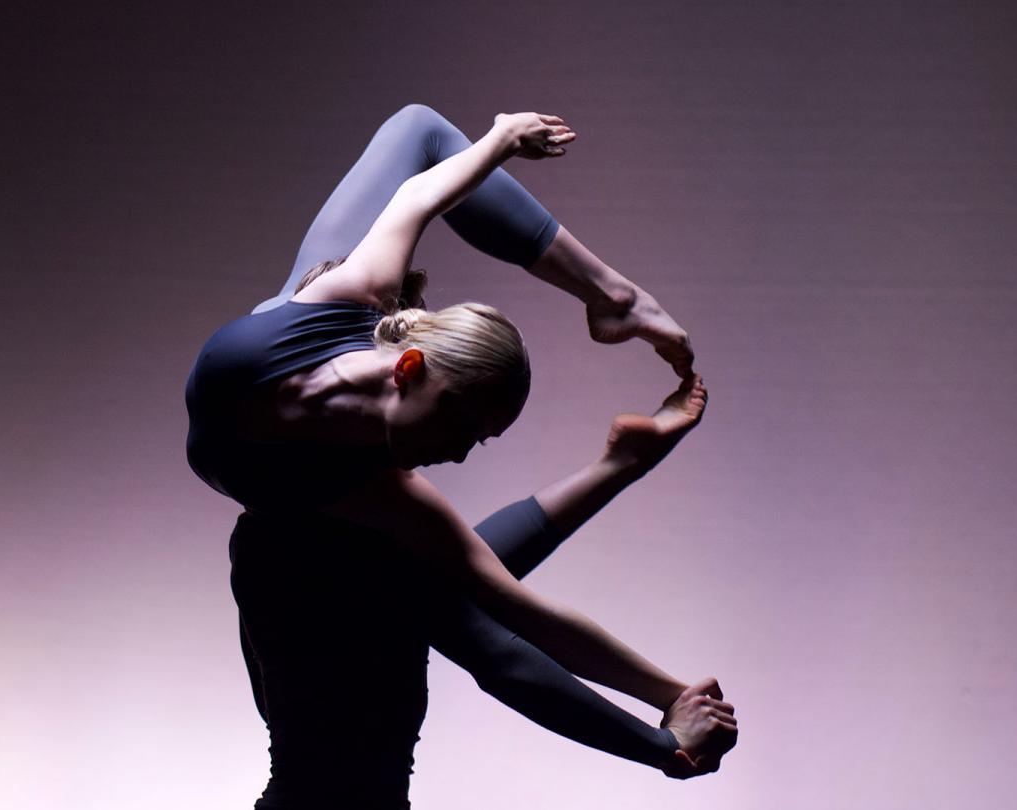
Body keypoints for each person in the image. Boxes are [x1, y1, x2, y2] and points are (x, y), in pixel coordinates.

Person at [184, 104, 737, 809]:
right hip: (294, 341)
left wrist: (671, 702)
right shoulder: (354, 292)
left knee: (430, 584)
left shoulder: (375, 494)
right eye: (460, 426)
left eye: (479, 441)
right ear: (409, 367)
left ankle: (616, 307)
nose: (459, 455)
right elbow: (500, 647)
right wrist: (504, 137)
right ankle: (613, 297)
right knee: (417, 137)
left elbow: (515, 614)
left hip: (285, 469)